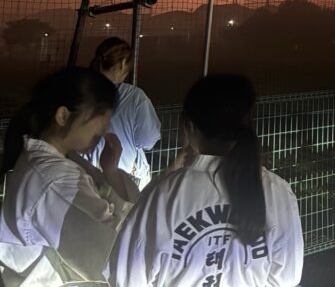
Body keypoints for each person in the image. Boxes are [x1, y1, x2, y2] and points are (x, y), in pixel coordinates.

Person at [106, 74, 303, 286]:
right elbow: (287, 277)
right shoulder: (277, 191)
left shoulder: (162, 195)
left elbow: (128, 278)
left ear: (189, 127)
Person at [0, 66, 139, 285]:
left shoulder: (44, 162)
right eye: (100, 117)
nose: (105, 129)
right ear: (63, 116)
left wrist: (110, 170)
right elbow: (115, 252)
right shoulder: (56, 180)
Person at [83, 36, 162, 189]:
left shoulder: (81, 89)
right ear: (122, 64)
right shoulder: (134, 96)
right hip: (124, 179)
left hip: (84, 177)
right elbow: (148, 140)